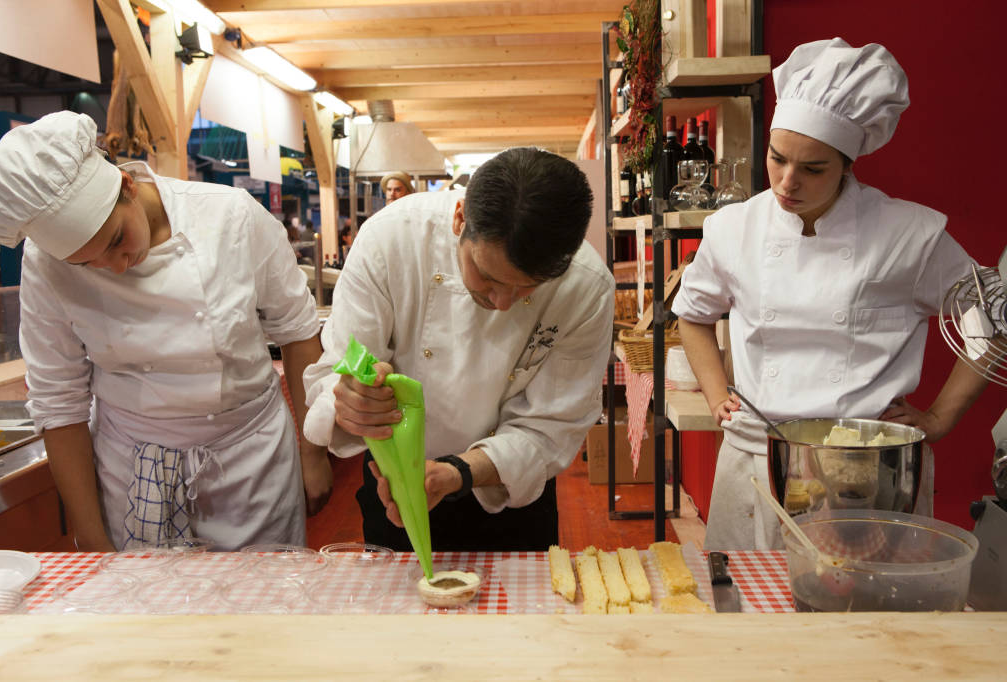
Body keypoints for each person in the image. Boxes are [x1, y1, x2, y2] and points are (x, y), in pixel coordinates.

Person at [671, 38, 989, 551]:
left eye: (813, 168)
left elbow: (992, 319)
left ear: (848, 163)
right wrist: (715, 393)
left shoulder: (908, 234)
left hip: (865, 471)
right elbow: (693, 313)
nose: (786, 182)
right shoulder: (733, 228)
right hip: (756, 456)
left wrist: (939, 418)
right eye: (777, 159)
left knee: (870, 618)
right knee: (751, 613)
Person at [0, 111, 333, 551]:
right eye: (85, 263)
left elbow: (298, 332)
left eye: (114, 240)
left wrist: (313, 453)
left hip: (252, 462)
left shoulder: (228, 216)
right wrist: (90, 534)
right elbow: (59, 402)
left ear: (127, 186)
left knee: (264, 610)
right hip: (131, 470)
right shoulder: (44, 265)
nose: (115, 265)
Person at [303, 147, 614, 551]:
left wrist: (457, 473)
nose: (502, 301)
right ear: (460, 217)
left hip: (510, 493)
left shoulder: (586, 286)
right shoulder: (391, 238)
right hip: (394, 480)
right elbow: (344, 364)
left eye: (526, 288)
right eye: (486, 276)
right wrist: (352, 399)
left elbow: (552, 426)